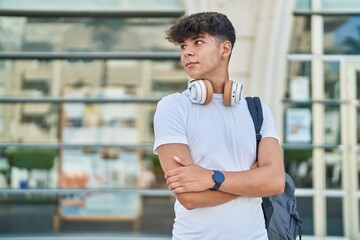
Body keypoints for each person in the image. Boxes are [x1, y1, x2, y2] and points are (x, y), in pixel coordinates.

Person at [153, 12, 285, 240]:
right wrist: (251, 183)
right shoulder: (173, 107)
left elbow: (274, 182)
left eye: (198, 42)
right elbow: (190, 198)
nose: (187, 52)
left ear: (224, 49)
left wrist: (212, 178)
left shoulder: (258, 111)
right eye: (183, 46)